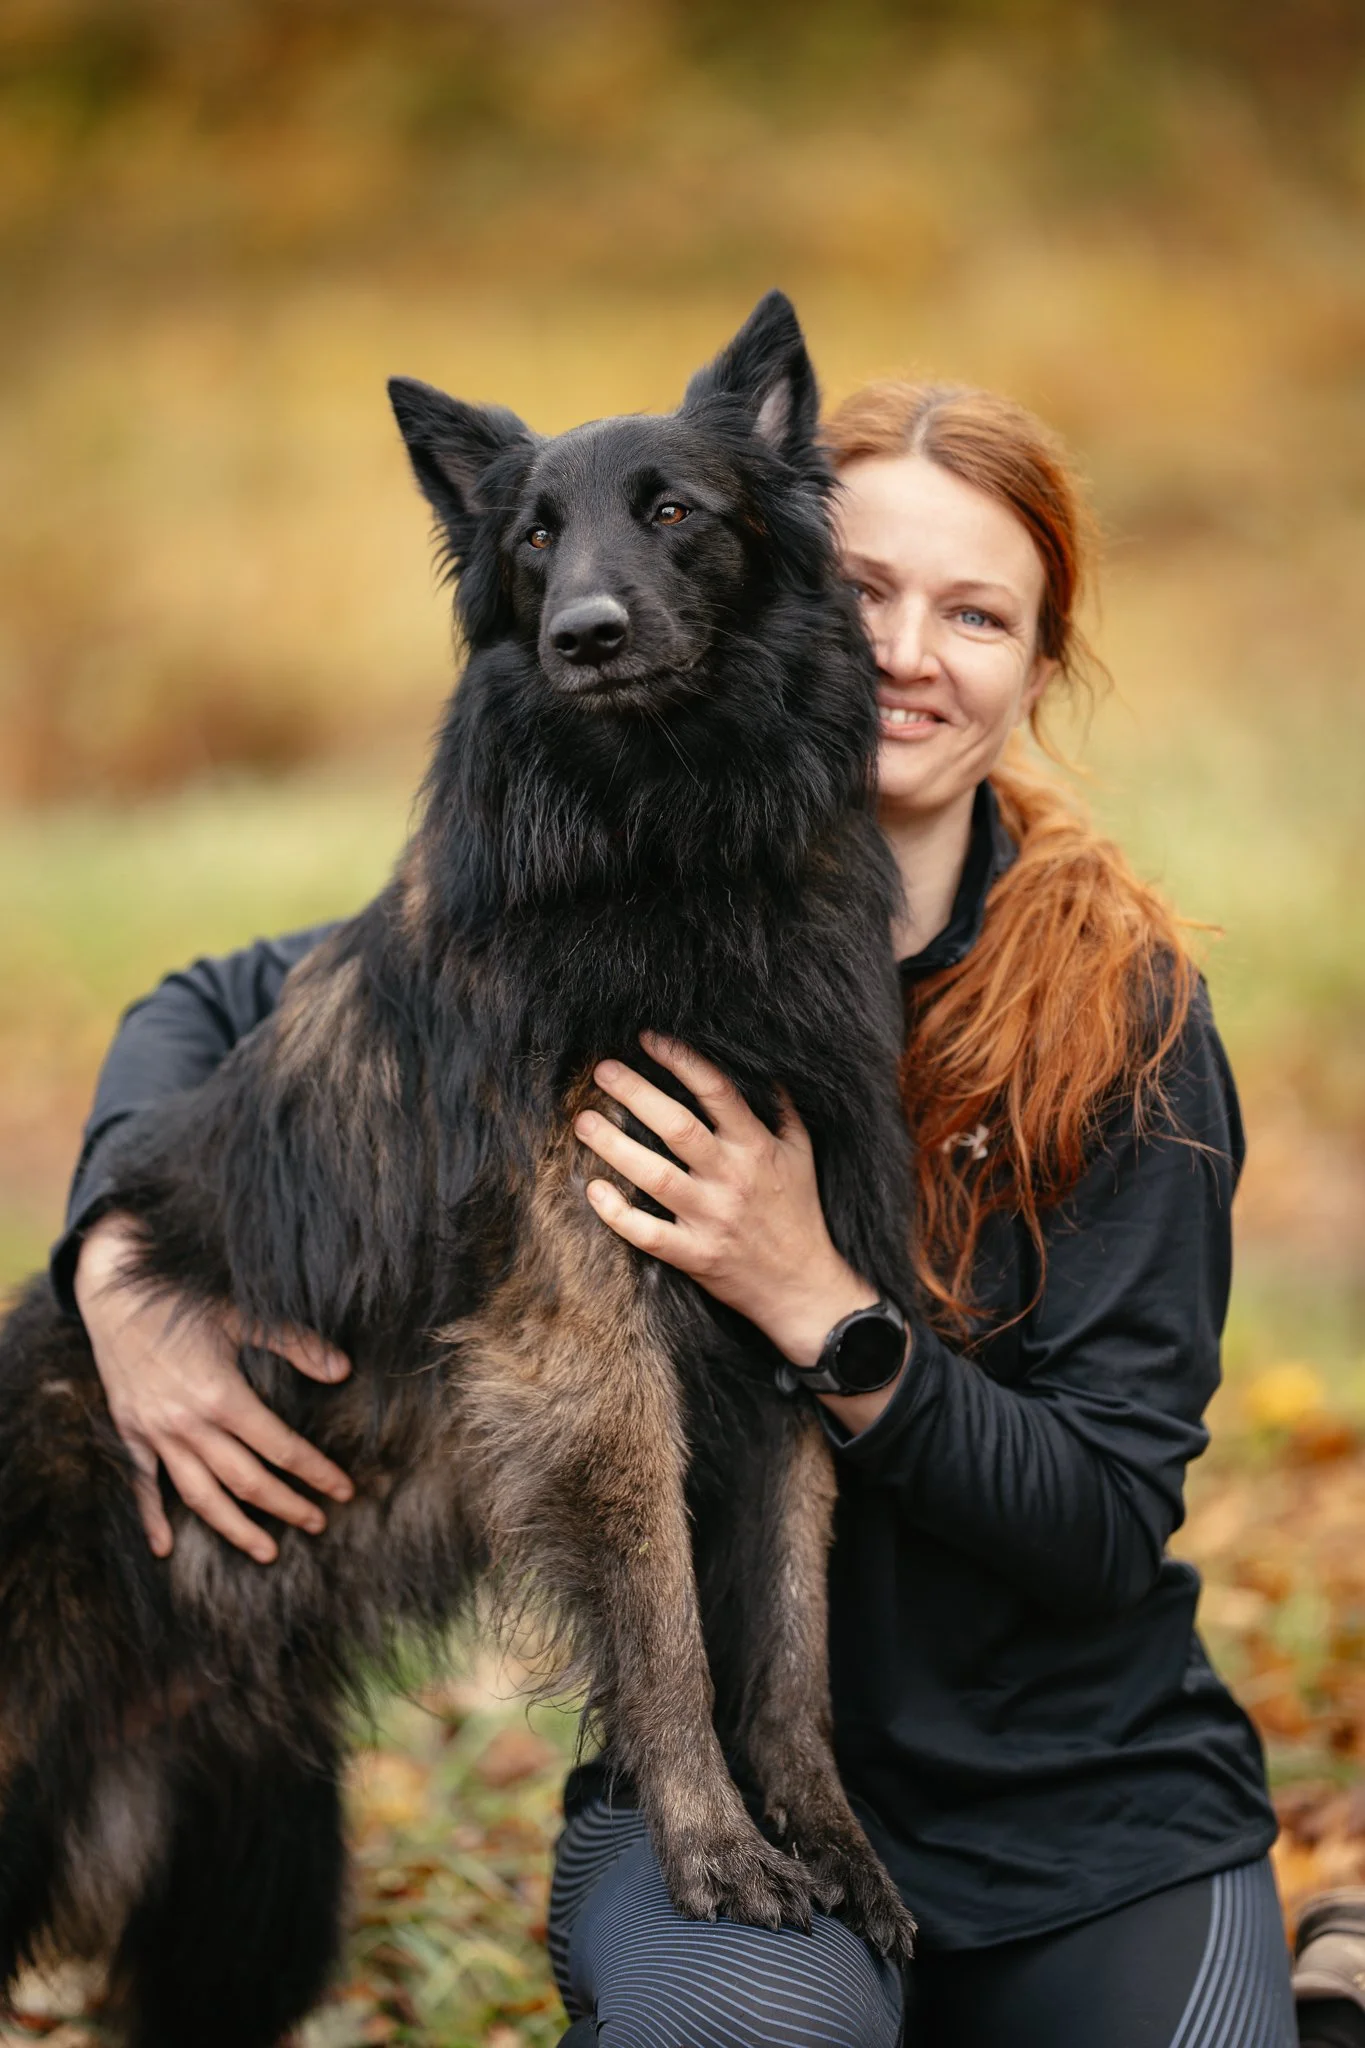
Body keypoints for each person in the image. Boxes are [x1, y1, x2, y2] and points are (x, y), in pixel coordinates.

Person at [58, 379, 1298, 2047]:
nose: (913, 654)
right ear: (783, 582)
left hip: (1086, 1811)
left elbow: (1100, 1517)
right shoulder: (587, 909)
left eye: (980, 614)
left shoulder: (1127, 1009)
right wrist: (116, 1274)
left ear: (1040, 663)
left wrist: (819, 1309)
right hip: (704, 1772)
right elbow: (218, 1006)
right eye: (868, 594)